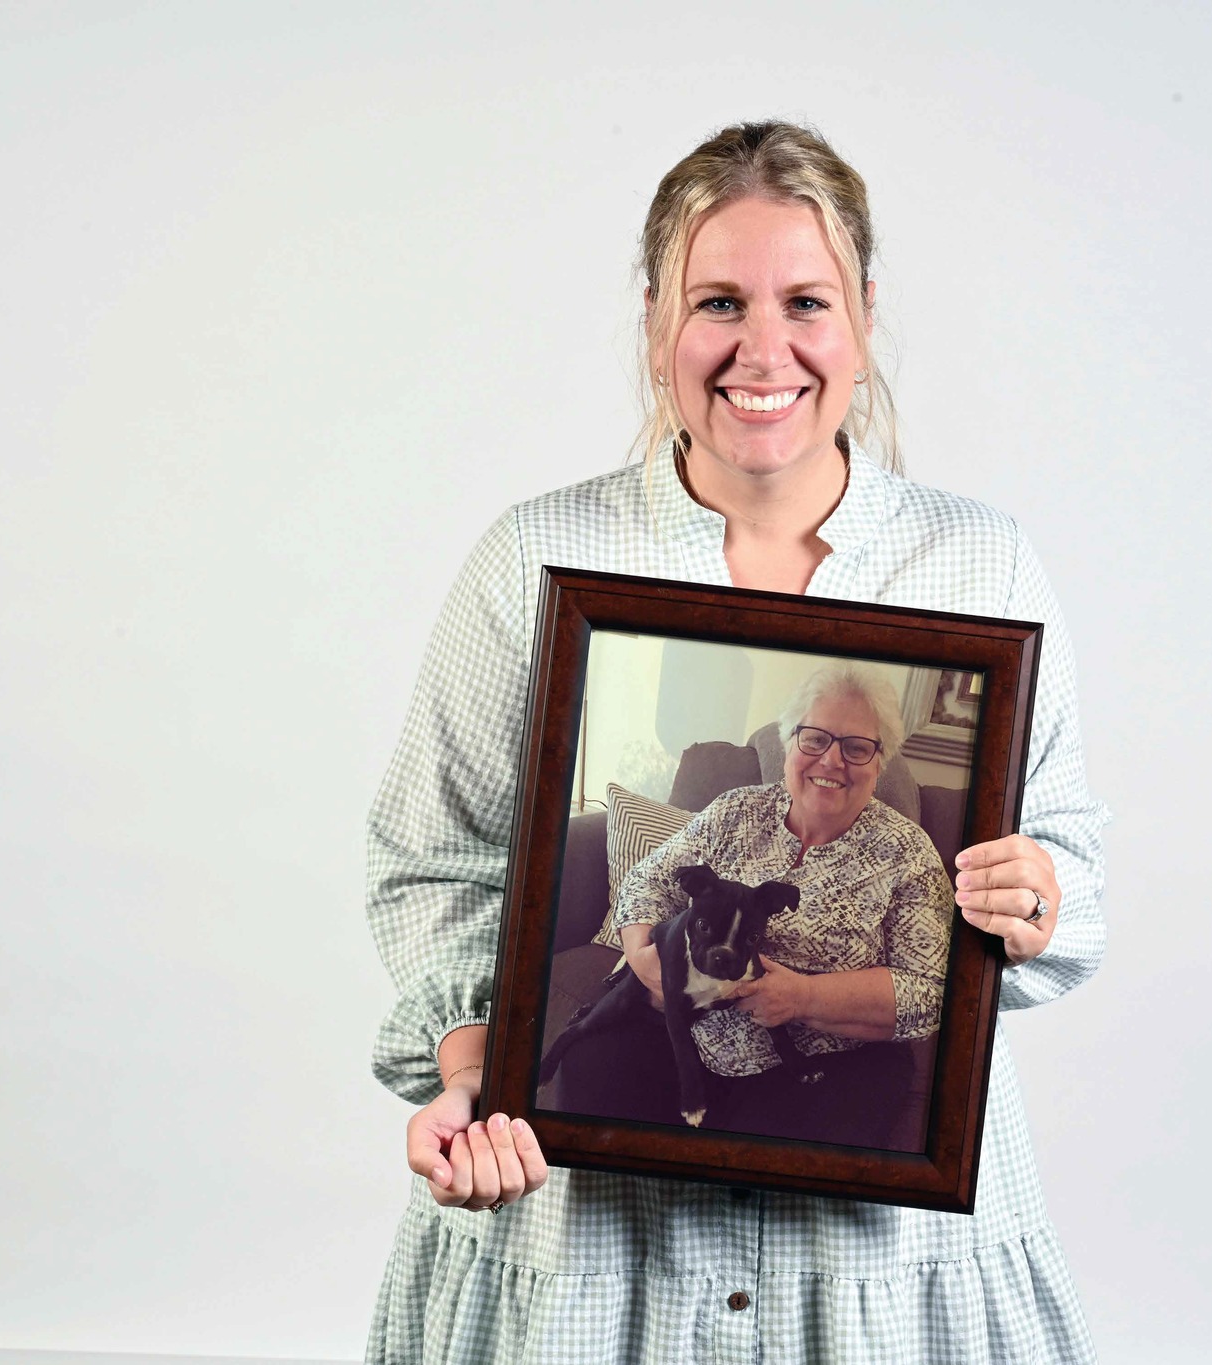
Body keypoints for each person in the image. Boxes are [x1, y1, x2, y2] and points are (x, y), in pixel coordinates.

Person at [367, 120, 1110, 1363]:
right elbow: (434, 865)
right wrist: (478, 1069)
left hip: (880, 1235)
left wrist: (1036, 898)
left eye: (803, 301)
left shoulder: (982, 565)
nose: (761, 349)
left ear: (863, 321)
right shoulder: (531, 563)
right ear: (658, 323)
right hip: (596, 1231)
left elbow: (1065, 875)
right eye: (718, 301)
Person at [550, 664, 953, 1148]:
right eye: (815, 739)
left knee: (760, 1163)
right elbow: (649, 879)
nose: (831, 760)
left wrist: (804, 998)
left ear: (879, 761)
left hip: (823, 1059)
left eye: (856, 747)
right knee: (590, 1072)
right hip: (688, 1030)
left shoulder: (907, 852)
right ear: (789, 744)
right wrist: (644, 960)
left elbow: (927, 993)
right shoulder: (736, 811)